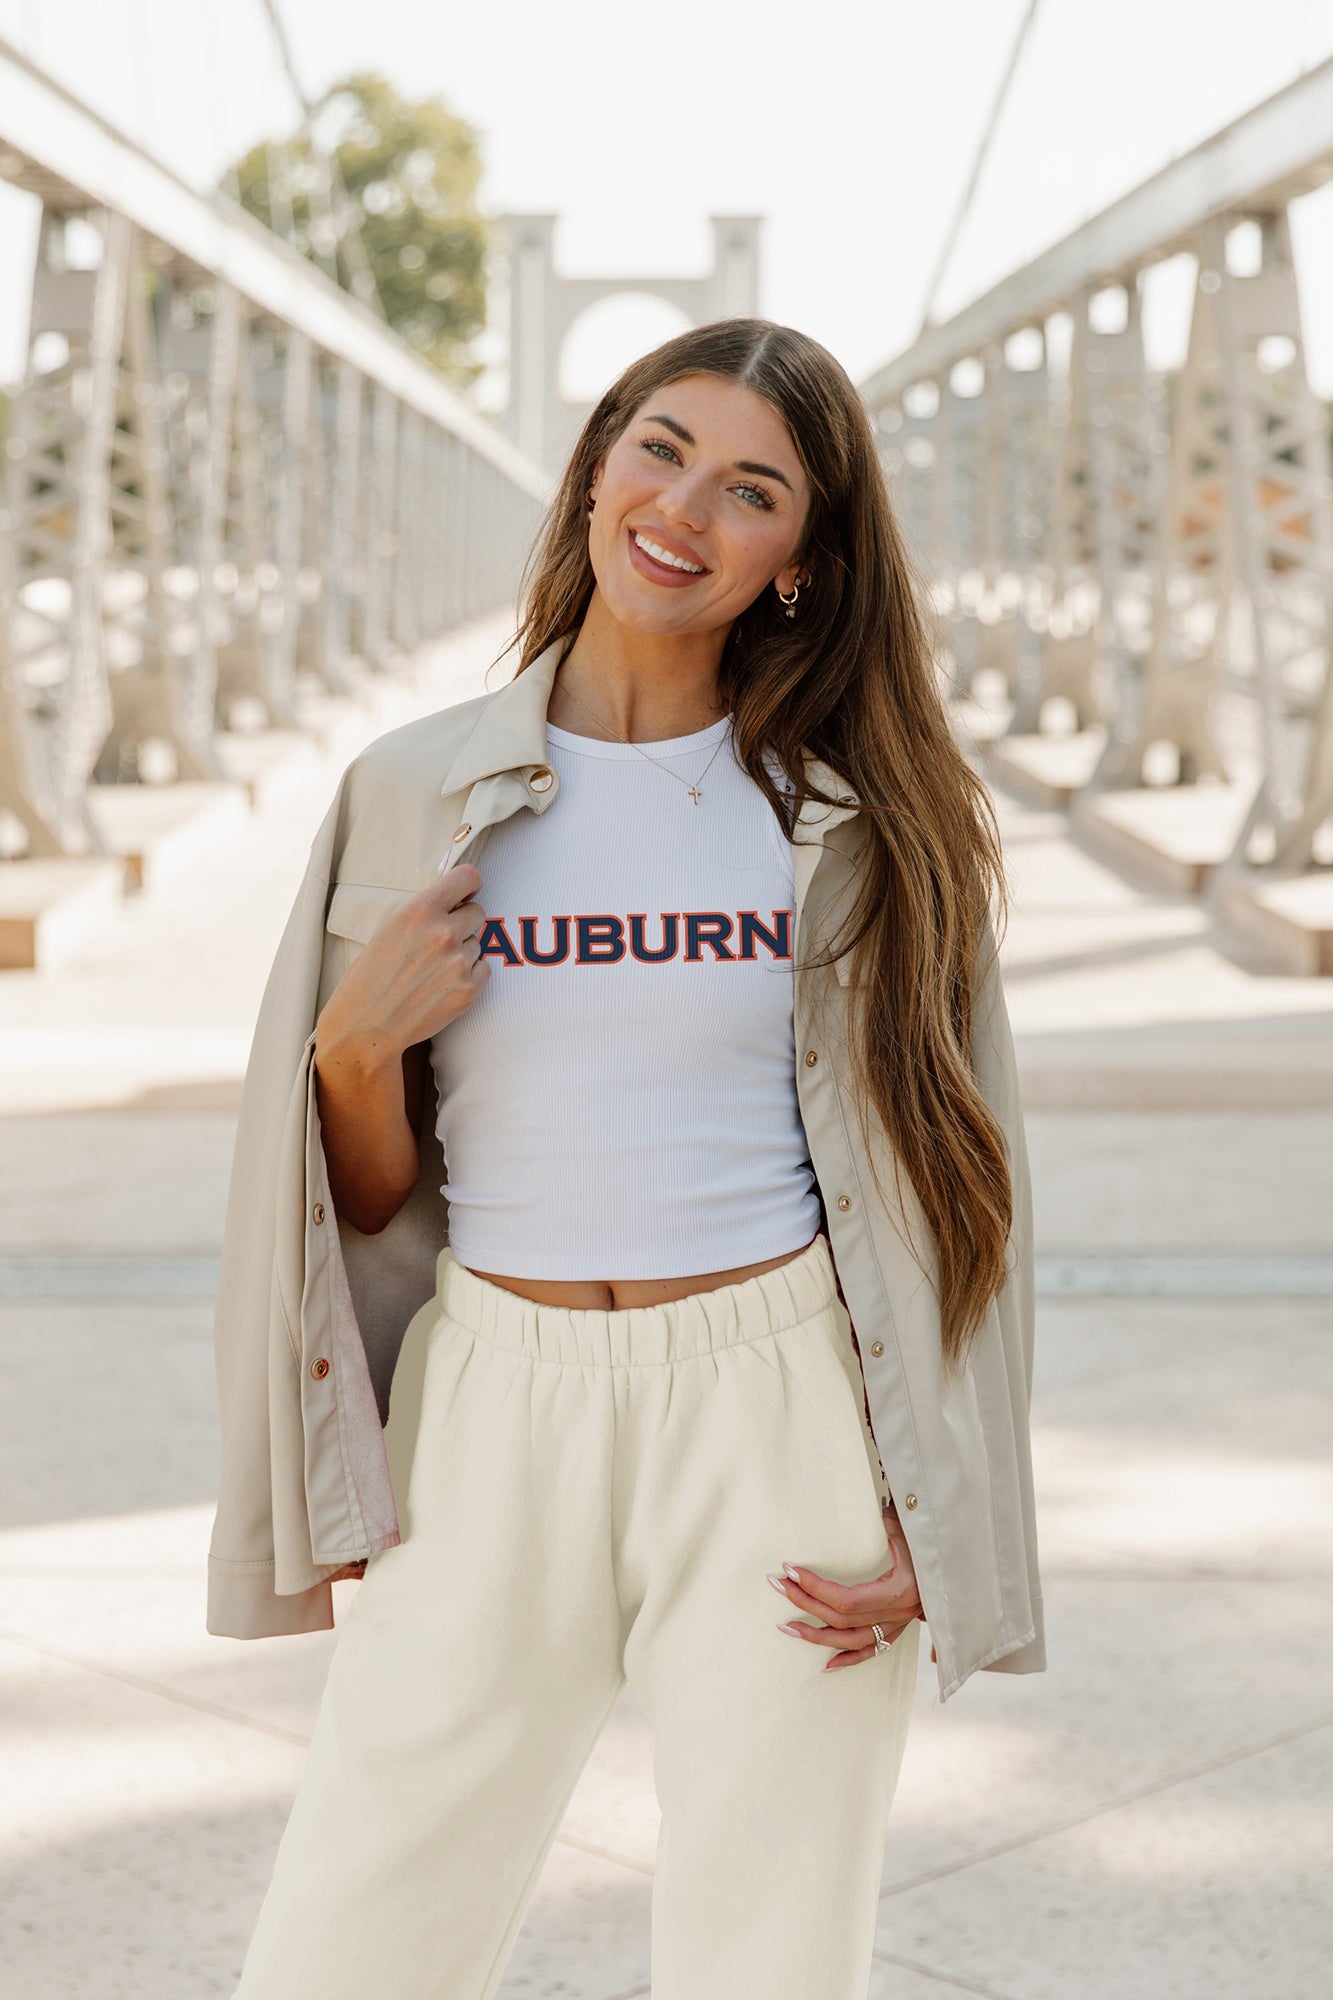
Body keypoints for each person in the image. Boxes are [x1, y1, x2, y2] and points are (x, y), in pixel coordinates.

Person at [215, 317, 1043, 2000]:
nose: (683, 508)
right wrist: (354, 1046)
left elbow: (963, 1185)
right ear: (597, 462)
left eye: (752, 490)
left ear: (800, 561)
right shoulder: (407, 791)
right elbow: (357, 1201)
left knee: (770, 1949)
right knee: (350, 1936)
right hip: (492, 1405)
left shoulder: (860, 817)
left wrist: (928, 1493)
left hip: (778, 1409)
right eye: (659, 448)